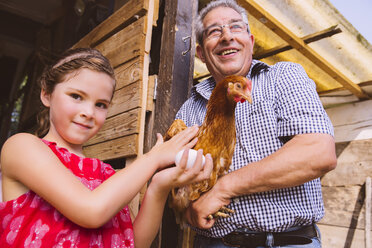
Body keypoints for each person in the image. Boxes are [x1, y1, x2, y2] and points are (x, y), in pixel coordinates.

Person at [0, 48, 213, 248]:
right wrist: (153, 158)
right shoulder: (22, 146)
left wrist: (159, 187)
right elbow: (91, 211)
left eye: (101, 104)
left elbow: (132, 242)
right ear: (46, 95)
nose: (89, 112)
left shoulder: (107, 176)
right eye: (76, 96)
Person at [175, 0, 337, 247]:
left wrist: (223, 188)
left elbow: (318, 153)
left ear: (250, 42)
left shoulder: (284, 77)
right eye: (214, 31)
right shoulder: (188, 110)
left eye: (235, 27)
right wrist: (187, 210)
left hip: (288, 241)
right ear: (200, 53)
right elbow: (175, 184)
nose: (227, 36)